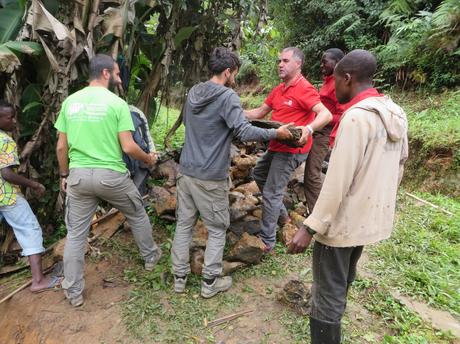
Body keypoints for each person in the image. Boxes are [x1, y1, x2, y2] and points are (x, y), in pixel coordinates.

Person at [287, 50, 409, 343]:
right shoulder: (396, 113)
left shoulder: (356, 118)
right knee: (343, 281)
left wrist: (309, 227)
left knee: (326, 294)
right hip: (367, 222)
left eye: (336, 80)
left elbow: (337, 182)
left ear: (347, 78)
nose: (333, 86)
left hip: (340, 227)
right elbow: (400, 165)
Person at [171, 47, 293, 298]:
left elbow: (195, 122)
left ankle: (179, 279)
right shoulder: (227, 97)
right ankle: (209, 283)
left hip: (186, 171)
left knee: (184, 225)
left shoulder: (194, 91)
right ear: (227, 72)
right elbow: (245, 132)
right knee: (217, 228)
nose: (235, 78)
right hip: (209, 176)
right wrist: (276, 133)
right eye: (235, 73)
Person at [55, 54, 161, 307]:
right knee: (136, 213)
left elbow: (61, 147)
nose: (118, 77)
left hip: (79, 177)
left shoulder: (70, 102)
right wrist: (148, 159)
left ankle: (73, 292)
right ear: (105, 74)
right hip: (111, 177)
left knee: (76, 234)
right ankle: (151, 257)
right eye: (115, 73)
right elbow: (128, 146)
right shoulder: (116, 104)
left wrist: (64, 175)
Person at [245, 47, 332, 253]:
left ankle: (267, 242)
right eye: (279, 61)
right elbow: (259, 112)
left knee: (272, 191)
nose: (280, 65)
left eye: (285, 61)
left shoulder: (304, 89)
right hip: (277, 144)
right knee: (259, 173)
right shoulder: (279, 89)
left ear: (298, 64)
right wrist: (232, 111)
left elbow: (326, 114)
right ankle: (283, 216)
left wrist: (308, 129)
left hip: (292, 150)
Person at [0, 101, 61, 292]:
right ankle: (38, 281)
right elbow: (7, 174)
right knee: (30, 229)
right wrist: (34, 184)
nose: (15, 121)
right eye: (10, 117)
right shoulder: (5, 141)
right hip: (6, 196)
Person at [304, 48, 345, 214]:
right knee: (312, 173)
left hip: (325, 134)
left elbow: (342, 116)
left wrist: (324, 118)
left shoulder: (338, 85)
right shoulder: (328, 80)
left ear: (337, 63)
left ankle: (319, 217)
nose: (321, 65)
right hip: (317, 130)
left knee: (312, 175)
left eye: (325, 62)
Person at [123, 104, 156, 195]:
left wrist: (151, 154)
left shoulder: (133, 114)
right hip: (136, 159)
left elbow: (144, 137)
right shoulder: (134, 113)